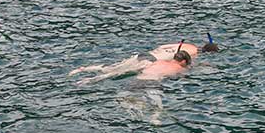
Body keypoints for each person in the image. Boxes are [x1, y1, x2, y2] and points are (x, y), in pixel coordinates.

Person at [68, 37, 215, 84]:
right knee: (118, 73)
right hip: (149, 62)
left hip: (146, 54)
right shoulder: (193, 53)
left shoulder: (186, 45)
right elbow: (184, 63)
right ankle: (87, 81)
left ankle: (83, 69)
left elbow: (165, 47)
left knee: (111, 68)